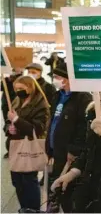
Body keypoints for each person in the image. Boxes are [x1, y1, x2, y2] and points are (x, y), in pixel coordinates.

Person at [45, 63, 92, 212]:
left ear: (67, 79)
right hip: (56, 152)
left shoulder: (83, 97)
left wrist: (74, 149)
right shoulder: (58, 95)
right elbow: (53, 121)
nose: (55, 80)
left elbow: (84, 127)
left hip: (69, 156)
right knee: (54, 192)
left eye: (58, 77)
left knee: (66, 195)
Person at [6, 76, 50, 211]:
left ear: (30, 87)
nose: (18, 91)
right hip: (16, 146)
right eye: (16, 89)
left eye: (21, 88)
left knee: (29, 181)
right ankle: (24, 208)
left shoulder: (41, 104)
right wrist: (9, 128)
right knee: (17, 182)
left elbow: (37, 129)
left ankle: (33, 209)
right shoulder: (17, 101)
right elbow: (9, 122)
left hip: (30, 147)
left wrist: (17, 120)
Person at [1, 68, 23, 158]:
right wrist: (5, 79)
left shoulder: (22, 79)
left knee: (17, 127)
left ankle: (19, 150)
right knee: (9, 126)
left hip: (16, 105)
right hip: (6, 105)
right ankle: (10, 149)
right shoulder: (7, 79)